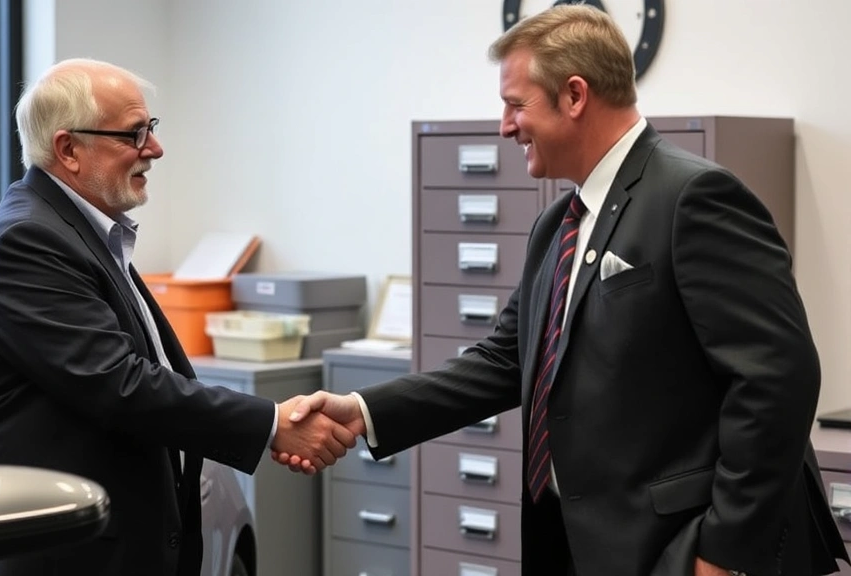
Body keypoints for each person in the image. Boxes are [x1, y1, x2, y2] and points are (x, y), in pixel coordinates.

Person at [278, 5, 849, 576]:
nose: (505, 127)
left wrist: (720, 555)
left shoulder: (695, 198)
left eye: (515, 104)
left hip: (681, 549)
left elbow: (778, 379)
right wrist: (361, 411)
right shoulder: (558, 224)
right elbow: (503, 361)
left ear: (574, 96)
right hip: (582, 545)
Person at [0, 58, 355, 575]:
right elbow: (121, 384)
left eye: (150, 129)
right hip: (54, 556)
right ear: (68, 149)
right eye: (135, 134)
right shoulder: (26, 240)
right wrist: (271, 424)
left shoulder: (87, 233)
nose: (154, 149)